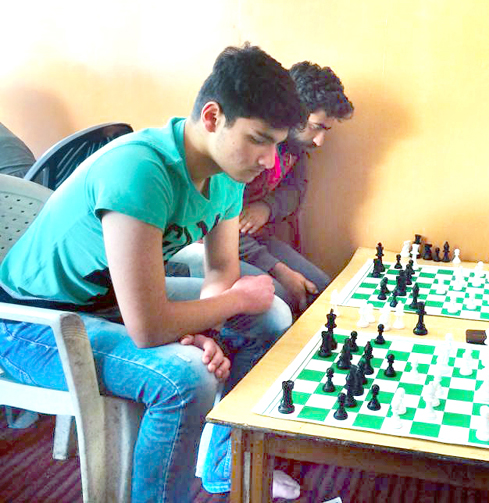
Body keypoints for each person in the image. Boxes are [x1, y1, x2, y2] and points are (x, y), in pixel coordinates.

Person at [0, 43, 305, 502]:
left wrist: (206, 329)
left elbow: (221, 269)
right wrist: (227, 307)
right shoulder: (140, 170)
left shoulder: (225, 173)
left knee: (271, 317)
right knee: (186, 379)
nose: (268, 161)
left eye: (276, 145)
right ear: (212, 117)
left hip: (109, 306)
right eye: (259, 139)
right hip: (27, 323)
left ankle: (218, 460)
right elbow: (148, 327)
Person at [171, 61, 354, 316]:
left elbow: (296, 190)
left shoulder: (294, 147)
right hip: (215, 245)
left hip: (254, 239)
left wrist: (266, 208)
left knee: (321, 290)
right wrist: (279, 269)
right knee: (283, 298)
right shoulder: (238, 158)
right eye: (316, 126)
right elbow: (222, 229)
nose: (320, 141)